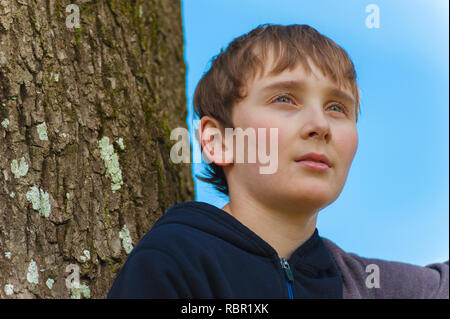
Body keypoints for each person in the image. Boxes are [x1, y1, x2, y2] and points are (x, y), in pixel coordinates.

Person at [107, 24, 448, 299]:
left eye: (337, 108)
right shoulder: (174, 264)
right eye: (285, 99)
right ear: (219, 140)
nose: (320, 125)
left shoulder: (371, 285)